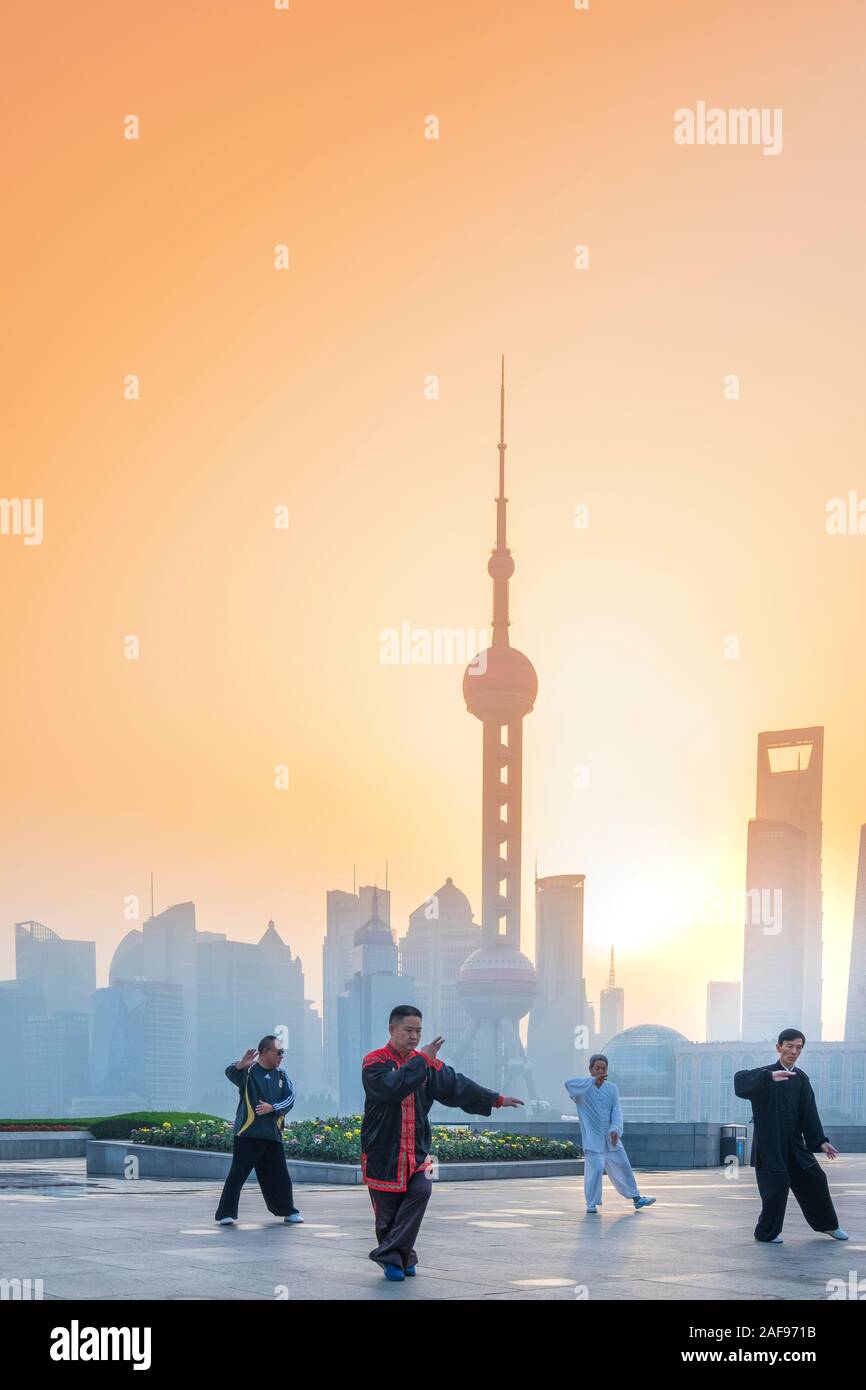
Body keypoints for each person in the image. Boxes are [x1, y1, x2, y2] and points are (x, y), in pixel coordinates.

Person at [361, 1004, 524, 1281]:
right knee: (387, 1213)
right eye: (408, 1030)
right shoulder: (374, 1062)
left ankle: (391, 1255)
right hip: (382, 1151)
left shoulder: (426, 1064)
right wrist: (421, 1060)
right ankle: (401, 1258)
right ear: (392, 1029)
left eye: (418, 1031)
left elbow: (456, 1086)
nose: (414, 1037)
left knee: (422, 1191)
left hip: (419, 1150)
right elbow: (391, 1088)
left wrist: (495, 1099)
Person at [734, 1027, 848, 1244]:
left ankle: (829, 1226)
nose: (794, 1051)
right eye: (790, 1046)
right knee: (776, 1188)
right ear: (779, 1047)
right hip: (770, 1146)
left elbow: (809, 1112)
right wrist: (769, 1077)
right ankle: (766, 1233)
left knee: (816, 1178)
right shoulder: (764, 1074)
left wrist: (820, 1141)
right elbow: (739, 1081)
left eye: (799, 1048)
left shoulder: (801, 1079)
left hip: (795, 1146)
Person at [214, 1034, 303, 1226]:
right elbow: (230, 1072)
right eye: (278, 1052)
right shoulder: (249, 1071)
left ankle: (288, 1211)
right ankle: (225, 1214)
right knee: (237, 1175)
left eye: (283, 1053)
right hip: (247, 1133)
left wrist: (274, 1108)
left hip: (272, 1135)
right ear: (265, 1052)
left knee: (280, 1176)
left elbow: (291, 1098)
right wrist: (240, 1064)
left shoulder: (282, 1075)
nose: (281, 1057)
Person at [565, 1054, 656, 1214]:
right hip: (593, 1140)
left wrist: (616, 1130)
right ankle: (591, 1204)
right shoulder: (582, 1089)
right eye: (597, 1068)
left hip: (611, 1138)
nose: (601, 1071)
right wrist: (593, 1081)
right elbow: (568, 1084)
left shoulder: (612, 1088)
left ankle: (637, 1198)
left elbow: (617, 1110)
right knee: (596, 1169)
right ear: (590, 1069)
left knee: (623, 1166)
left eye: (604, 1068)